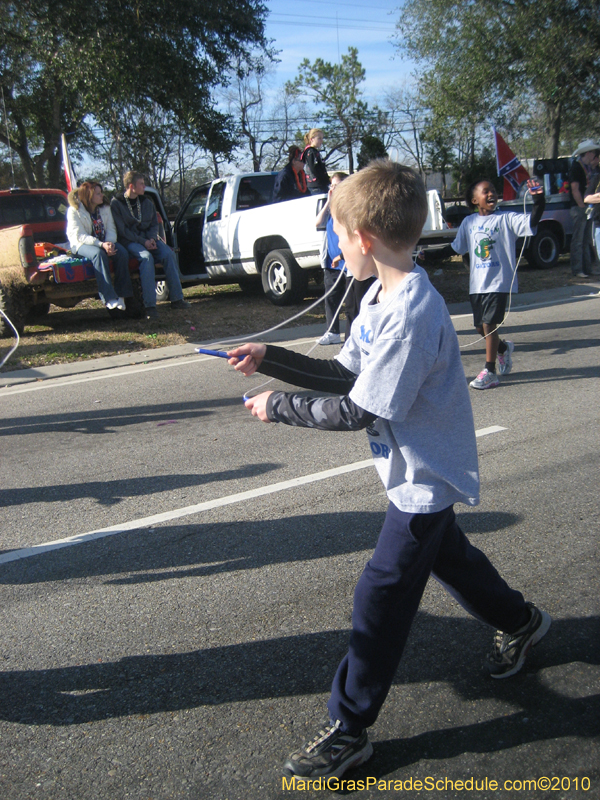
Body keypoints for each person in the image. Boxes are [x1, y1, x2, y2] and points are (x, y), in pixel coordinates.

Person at [226, 160, 551, 780]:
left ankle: (350, 729)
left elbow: (353, 409)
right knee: (450, 557)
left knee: (381, 594)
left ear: (365, 239)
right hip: (410, 466)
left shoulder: (409, 316)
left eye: (340, 235)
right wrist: (274, 359)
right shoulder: (381, 294)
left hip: (424, 475)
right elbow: (344, 371)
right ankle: (523, 621)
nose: (337, 246)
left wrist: (278, 408)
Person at [452, 177, 545, 390]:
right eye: (485, 191)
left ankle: (490, 371)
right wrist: (428, 257)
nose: (491, 194)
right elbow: (456, 248)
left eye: (493, 190)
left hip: (499, 281)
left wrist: (539, 199)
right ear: (475, 199)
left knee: (488, 324)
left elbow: (533, 220)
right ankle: (502, 348)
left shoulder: (506, 219)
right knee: (480, 328)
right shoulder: (469, 223)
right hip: (477, 284)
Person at [111, 171, 190, 319]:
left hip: (149, 239)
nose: (144, 186)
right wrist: (144, 242)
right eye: (141, 183)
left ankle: (177, 298)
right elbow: (123, 231)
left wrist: (153, 239)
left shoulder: (147, 202)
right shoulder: (117, 204)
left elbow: (154, 224)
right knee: (146, 258)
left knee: (168, 254)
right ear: (131, 186)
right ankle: (150, 306)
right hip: (131, 242)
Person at [66, 182, 132, 312]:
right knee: (98, 254)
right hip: (81, 244)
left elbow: (111, 228)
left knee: (122, 253)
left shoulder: (105, 208)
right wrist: (101, 245)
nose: (102, 195)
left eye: (101, 192)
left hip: (104, 243)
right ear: (89, 196)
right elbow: (80, 236)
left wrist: (110, 244)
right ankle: (108, 297)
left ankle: (122, 296)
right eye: (98, 193)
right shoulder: (74, 211)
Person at [314, 172, 348, 345]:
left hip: (348, 263)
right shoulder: (329, 208)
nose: (333, 188)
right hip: (331, 262)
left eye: (337, 185)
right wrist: (328, 200)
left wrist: (343, 255)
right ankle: (332, 332)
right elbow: (317, 222)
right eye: (331, 185)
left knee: (351, 304)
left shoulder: (350, 206)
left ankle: (352, 337)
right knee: (331, 298)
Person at [567, 140, 600, 278]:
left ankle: (587, 268)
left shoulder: (588, 168)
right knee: (578, 240)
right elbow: (575, 190)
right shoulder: (576, 167)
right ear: (588, 153)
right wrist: (582, 207)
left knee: (587, 239)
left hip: (587, 207)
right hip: (578, 207)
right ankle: (577, 269)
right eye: (592, 153)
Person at [302, 128, 330, 195]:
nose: (321, 141)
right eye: (319, 138)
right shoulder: (311, 152)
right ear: (312, 139)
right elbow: (314, 169)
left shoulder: (314, 152)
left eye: (322, 138)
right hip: (316, 186)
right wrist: (324, 180)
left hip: (319, 185)